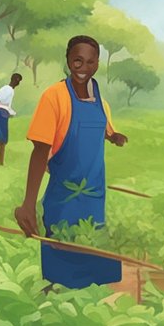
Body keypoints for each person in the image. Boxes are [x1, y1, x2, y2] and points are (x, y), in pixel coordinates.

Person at [15, 36, 127, 291]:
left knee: (100, 271)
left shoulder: (98, 96)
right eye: (77, 60)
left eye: (90, 61)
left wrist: (114, 136)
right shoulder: (54, 97)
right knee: (63, 272)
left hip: (94, 197)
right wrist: (28, 204)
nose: (83, 67)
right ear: (67, 60)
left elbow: (103, 127)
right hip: (64, 199)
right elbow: (40, 150)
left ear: (97, 63)